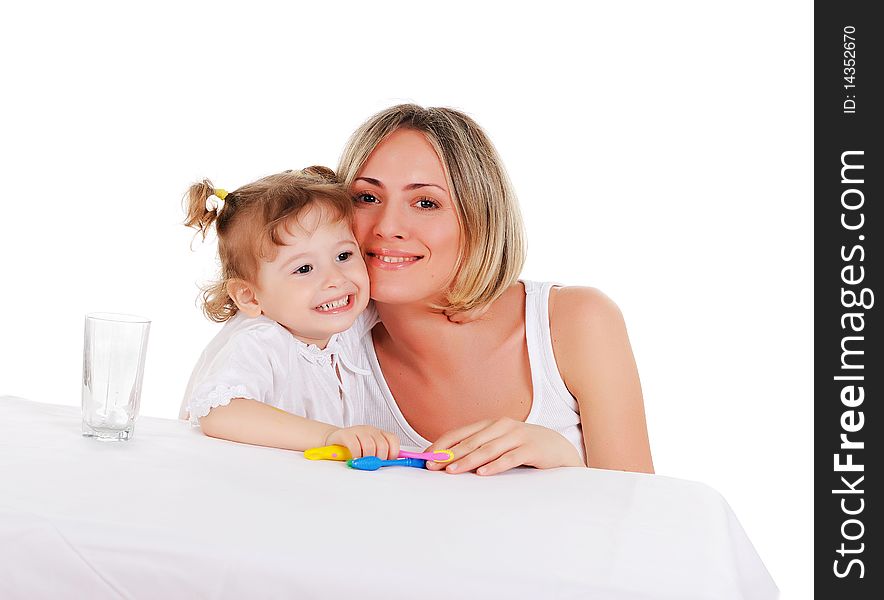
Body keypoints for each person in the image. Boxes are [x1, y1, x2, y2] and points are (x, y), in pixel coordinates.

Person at [335, 104, 654, 476]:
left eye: (426, 203)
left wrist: (565, 461)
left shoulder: (576, 322)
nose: (387, 226)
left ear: (479, 216)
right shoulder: (326, 351)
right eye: (366, 198)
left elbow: (640, 514)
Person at [180, 167, 401, 460]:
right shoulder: (261, 341)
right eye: (304, 269)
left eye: (344, 256)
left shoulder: (344, 320)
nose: (335, 278)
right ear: (249, 296)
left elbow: (409, 306)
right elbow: (219, 410)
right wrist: (327, 436)